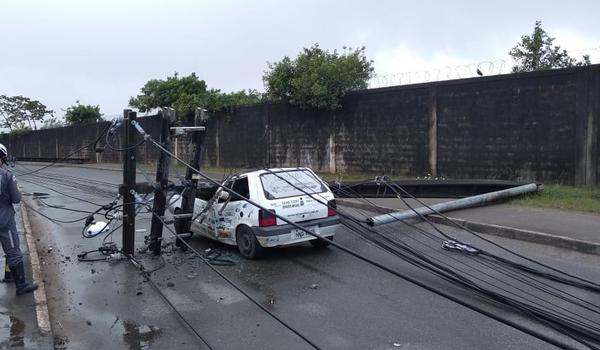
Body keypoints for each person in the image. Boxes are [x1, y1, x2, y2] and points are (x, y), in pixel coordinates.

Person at [0, 144, 37, 295]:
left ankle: (9, 276)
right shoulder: (7, 175)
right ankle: (21, 285)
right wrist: (18, 191)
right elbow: (16, 199)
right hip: (4, 220)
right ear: (3, 157)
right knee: (13, 249)